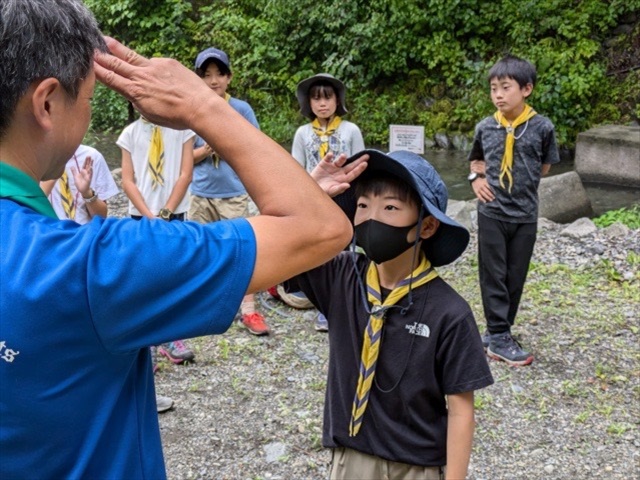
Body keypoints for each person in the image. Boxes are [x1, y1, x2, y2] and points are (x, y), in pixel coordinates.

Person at [0, 0, 353, 477]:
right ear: (46, 103)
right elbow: (320, 228)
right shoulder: (91, 266)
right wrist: (202, 105)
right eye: (85, 98)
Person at [286, 149, 494, 480]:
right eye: (363, 205)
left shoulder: (450, 312)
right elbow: (280, 247)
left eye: (390, 208)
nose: (371, 218)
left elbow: (460, 410)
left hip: (416, 466)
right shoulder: (340, 276)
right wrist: (308, 193)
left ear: (426, 225)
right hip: (350, 459)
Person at [40, 144, 174, 412]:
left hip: (86, 248)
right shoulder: (34, 155)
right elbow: (29, 205)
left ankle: (134, 395)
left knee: (104, 321)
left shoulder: (91, 157)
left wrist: (87, 191)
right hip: (49, 248)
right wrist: (55, 167)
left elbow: (101, 214)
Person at [467, 54, 560, 367]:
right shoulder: (485, 127)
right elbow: (476, 160)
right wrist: (476, 179)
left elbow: (545, 165)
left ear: (527, 89)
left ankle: (499, 331)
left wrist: (523, 185)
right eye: (494, 88)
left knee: (515, 274)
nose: (498, 95)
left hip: (524, 214)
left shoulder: (542, 127)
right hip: (491, 210)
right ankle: (498, 333)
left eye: (505, 87)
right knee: (492, 273)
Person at [189, 47, 269, 336]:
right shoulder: (191, 108)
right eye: (206, 75)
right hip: (200, 191)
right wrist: (205, 150)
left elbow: (255, 147)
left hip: (232, 192)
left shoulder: (241, 109)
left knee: (241, 248)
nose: (213, 81)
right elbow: (183, 157)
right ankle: (202, 306)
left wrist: (227, 144)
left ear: (229, 77)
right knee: (199, 248)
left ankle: (249, 310)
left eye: (219, 74)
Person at [288, 73, 365, 331]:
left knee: (344, 249)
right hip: (314, 196)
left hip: (345, 195)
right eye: (316, 98)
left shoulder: (350, 130)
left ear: (338, 100)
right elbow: (296, 168)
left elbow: (360, 165)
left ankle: (344, 300)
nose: (322, 104)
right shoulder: (302, 133)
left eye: (328, 97)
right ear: (308, 103)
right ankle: (323, 303)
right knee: (317, 249)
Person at [117, 116, 197, 365]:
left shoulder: (182, 128)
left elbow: (186, 174)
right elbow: (128, 180)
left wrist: (165, 213)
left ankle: (171, 336)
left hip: (173, 214)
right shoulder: (130, 133)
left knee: (172, 275)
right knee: (143, 277)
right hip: (140, 215)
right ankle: (147, 341)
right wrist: (150, 216)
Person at [40, 144, 119, 223]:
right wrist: (52, 174)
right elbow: (30, 211)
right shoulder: (35, 156)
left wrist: (87, 193)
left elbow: (101, 217)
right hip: (48, 231)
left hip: (84, 232)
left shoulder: (92, 157)